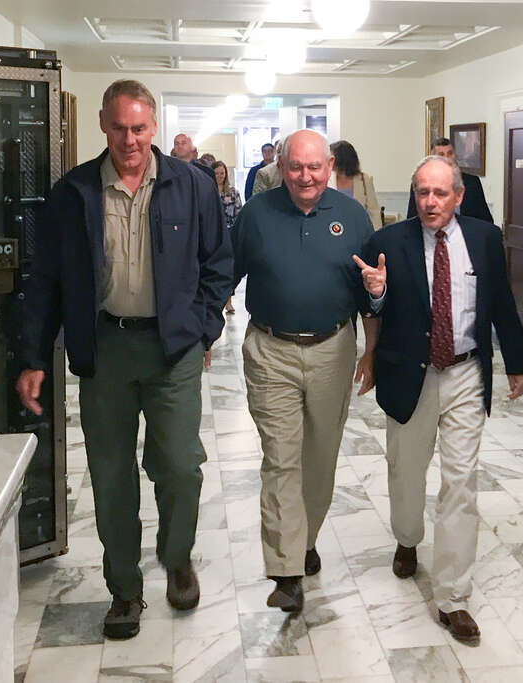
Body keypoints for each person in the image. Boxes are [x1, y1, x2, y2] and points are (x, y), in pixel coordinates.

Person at [16, 79, 233, 640]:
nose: (130, 139)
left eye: (139, 128)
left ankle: (177, 556)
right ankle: (125, 591)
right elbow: (46, 281)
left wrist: (205, 326)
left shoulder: (191, 185)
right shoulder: (74, 193)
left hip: (173, 351)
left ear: (153, 126)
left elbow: (218, 263)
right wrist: (35, 354)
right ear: (102, 125)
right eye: (119, 127)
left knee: (180, 466)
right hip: (106, 349)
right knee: (111, 476)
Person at [359, 155, 523, 643]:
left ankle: (453, 596)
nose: (429, 203)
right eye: (421, 193)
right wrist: (375, 292)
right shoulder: (388, 242)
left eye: (439, 193)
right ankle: (408, 540)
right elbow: (372, 303)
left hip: (465, 372)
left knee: (460, 482)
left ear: (459, 196)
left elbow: (501, 304)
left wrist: (516, 363)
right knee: (406, 471)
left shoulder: (483, 239)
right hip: (411, 376)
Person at [231, 129, 385, 614]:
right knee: (281, 457)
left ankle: (305, 539)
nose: (305, 176)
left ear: (330, 168)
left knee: (320, 458)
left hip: (332, 350)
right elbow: (224, 273)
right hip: (270, 348)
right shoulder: (257, 213)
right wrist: (202, 327)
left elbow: (370, 293)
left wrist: (372, 342)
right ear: (281, 167)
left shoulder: (352, 214)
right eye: (295, 166)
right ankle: (286, 571)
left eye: (315, 167)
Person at [406, 137, 493, 223]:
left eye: (450, 153)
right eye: (441, 154)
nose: (447, 158)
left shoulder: (472, 182)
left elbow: (486, 220)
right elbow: (412, 220)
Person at [328, 140, 382, 230]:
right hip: (334, 230)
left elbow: (374, 212)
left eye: (332, 158)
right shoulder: (327, 179)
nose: (329, 161)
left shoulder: (364, 179)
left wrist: (376, 236)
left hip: (358, 231)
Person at [213, 160, 243, 314]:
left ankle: (228, 301)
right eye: (216, 173)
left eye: (222, 173)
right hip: (212, 234)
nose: (219, 176)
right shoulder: (208, 192)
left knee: (229, 269)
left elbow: (239, 213)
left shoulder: (233, 192)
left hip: (229, 233)